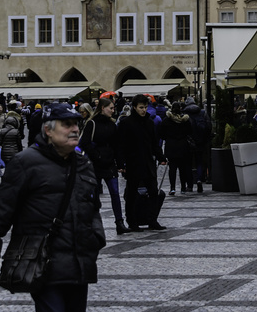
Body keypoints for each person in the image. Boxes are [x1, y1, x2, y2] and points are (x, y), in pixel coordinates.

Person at [0, 101, 105, 312]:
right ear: (48, 130)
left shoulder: (83, 162)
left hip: (78, 259)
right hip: (41, 260)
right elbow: (0, 213)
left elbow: (91, 206)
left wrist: (95, 238)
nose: (74, 130)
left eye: (76, 125)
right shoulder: (26, 163)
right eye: (67, 125)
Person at [79, 92, 129, 234]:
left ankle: (119, 222)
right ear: (102, 108)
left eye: (113, 108)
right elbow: (85, 143)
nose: (113, 111)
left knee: (115, 192)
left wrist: (120, 164)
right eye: (111, 108)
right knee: (94, 195)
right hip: (95, 163)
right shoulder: (92, 123)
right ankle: (92, 222)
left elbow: (117, 145)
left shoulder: (112, 125)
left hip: (109, 164)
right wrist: (97, 157)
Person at [117, 94, 166, 230]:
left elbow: (154, 143)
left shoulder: (149, 122)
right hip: (133, 163)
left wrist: (161, 157)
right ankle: (132, 222)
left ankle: (152, 220)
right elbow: (120, 145)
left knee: (153, 192)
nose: (143, 110)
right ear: (134, 107)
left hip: (148, 163)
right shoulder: (126, 123)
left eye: (145, 107)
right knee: (132, 194)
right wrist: (121, 164)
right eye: (141, 107)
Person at [160, 100, 193, 194]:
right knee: (182, 168)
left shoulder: (166, 120)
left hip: (171, 146)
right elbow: (190, 131)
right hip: (183, 146)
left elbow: (161, 134)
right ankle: (183, 187)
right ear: (180, 109)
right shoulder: (185, 121)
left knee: (172, 169)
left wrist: (168, 138)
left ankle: (172, 188)